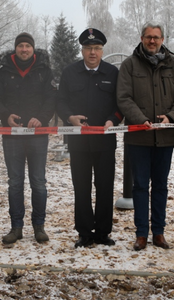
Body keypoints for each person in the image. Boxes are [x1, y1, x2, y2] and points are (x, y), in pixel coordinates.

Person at [117, 23, 174, 251]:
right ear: (141, 38)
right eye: (148, 37)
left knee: (160, 186)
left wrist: (171, 117)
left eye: (156, 37)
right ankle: (141, 234)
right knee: (139, 186)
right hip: (139, 138)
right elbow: (124, 97)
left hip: (165, 138)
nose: (152, 41)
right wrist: (140, 119)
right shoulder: (130, 65)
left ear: (162, 38)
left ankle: (158, 232)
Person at [56, 28, 122, 248]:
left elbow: (119, 103)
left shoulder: (113, 73)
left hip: (105, 141)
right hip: (79, 141)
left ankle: (103, 232)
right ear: (82, 50)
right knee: (81, 187)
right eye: (88, 48)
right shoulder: (70, 73)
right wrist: (69, 117)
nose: (92, 52)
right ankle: (84, 232)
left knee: (105, 187)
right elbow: (60, 102)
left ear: (102, 50)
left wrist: (113, 119)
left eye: (97, 48)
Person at [0, 32, 56, 245]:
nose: (24, 49)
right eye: (21, 46)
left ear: (33, 48)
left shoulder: (44, 71)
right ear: (15, 48)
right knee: (15, 182)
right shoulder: (4, 72)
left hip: (38, 135)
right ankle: (16, 227)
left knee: (38, 182)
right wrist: (5, 116)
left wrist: (42, 118)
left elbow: (52, 98)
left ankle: (39, 227)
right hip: (12, 135)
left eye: (28, 45)